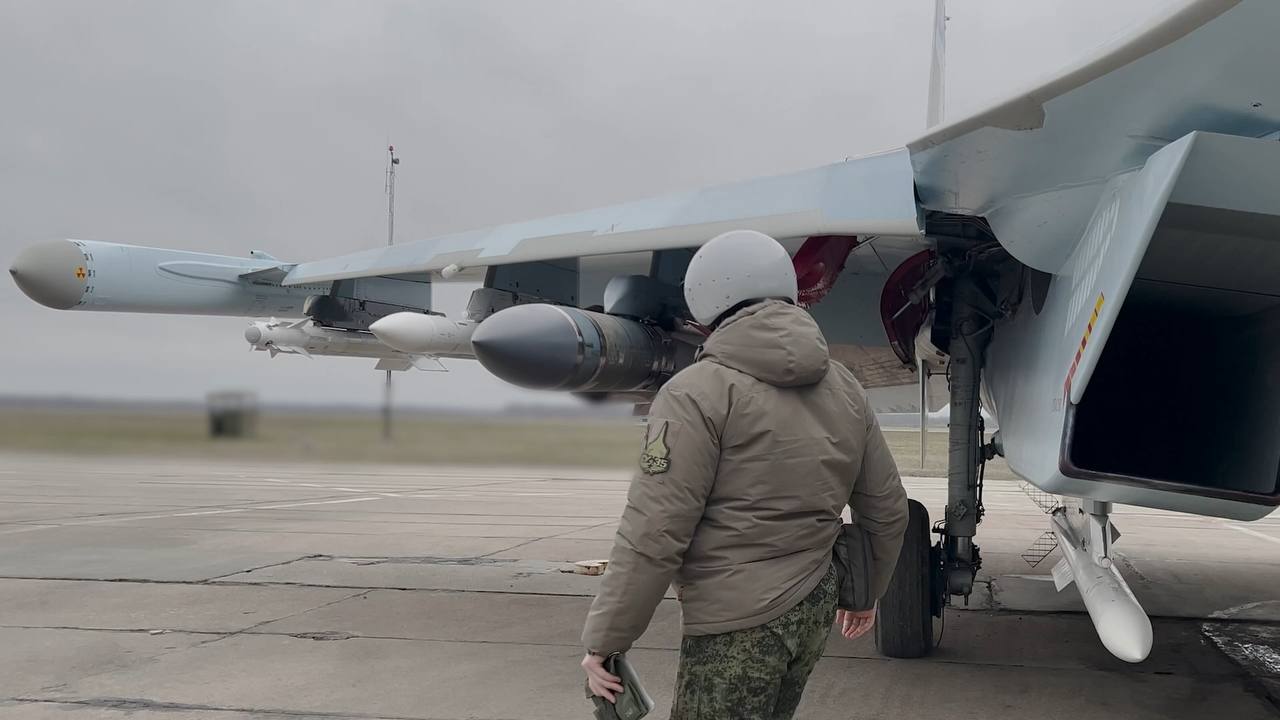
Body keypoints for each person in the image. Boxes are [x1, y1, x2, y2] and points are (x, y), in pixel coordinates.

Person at [580, 229, 910, 719]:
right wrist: (866, 593)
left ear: (705, 296)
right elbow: (887, 508)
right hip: (814, 604)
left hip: (735, 619)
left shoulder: (695, 392)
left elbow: (655, 530)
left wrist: (605, 640)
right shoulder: (844, 386)